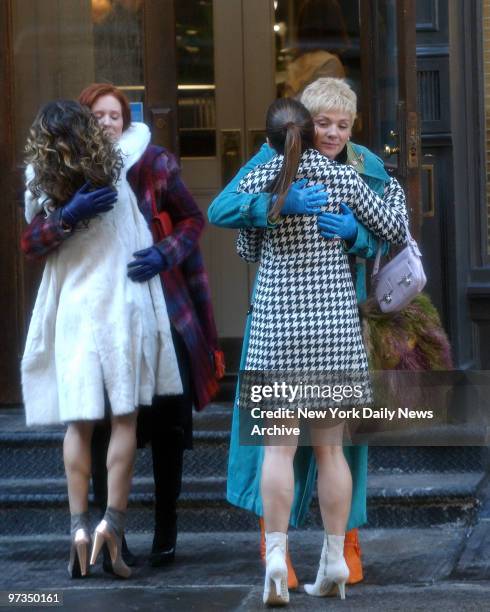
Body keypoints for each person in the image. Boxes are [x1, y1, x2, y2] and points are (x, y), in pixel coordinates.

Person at [208, 77, 404, 590]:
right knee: (318, 447)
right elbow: (233, 215)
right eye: (323, 122)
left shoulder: (362, 165)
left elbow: (390, 231)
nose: (334, 132)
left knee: (301, 446)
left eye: (343, 123)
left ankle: (319, 545)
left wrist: (354, 235)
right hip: (320, 324)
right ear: (301, 123)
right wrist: (274, 209)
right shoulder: (274, 162)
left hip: (321, 317)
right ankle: (299, 549)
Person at [21, 84, 222, 569]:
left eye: (117, 114)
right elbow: (34, 240)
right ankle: (112, 524)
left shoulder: (147, 163)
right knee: (114, 420)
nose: (109, 121)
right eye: (99, 114)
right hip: (126, 308)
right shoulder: (89, 174)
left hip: (142, 302)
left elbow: (193, 220)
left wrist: (162, 252)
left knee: (143, 422)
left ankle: (115, 528)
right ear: (88, 122)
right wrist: (67, 218)